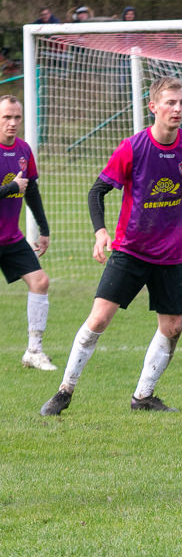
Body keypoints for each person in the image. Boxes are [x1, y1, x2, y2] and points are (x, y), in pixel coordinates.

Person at [40, 77, 182, 416]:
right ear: (153, 107)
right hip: (131, 249)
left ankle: (143, 397)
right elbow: (96, 192)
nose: (177, 109)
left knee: (174, 327)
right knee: (100, 318)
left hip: (172, 252)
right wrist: (100, 232)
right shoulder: (132, 147)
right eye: (170, 103)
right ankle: (64, 391)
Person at [0, 95, 55, 371]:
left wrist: (43, 229)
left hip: (10, 237)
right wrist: (10, 189)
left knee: (40, 282)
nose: (13, 123)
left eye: (16, 117)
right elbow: (17, 187)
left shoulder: (23, 150)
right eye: (6, 117)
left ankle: (34, 351)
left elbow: (30, 189)